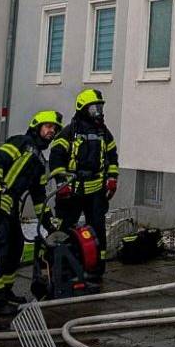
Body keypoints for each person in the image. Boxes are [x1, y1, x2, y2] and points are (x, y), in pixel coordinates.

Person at [0, 110, 61, 331]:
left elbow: (39, 197)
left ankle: (4, 294)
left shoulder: (39, 161)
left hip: (10, 207)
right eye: (47, 126)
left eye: (54, 129)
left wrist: (49, 222)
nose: (51, 131)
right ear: (36, 126)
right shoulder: (20, 142)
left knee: (15, 248)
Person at [47, 89, 119, 287]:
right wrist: (61, 183)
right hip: (71, 191)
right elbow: (56, 157)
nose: (98, 112)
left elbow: (113, 157)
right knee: (64, 229)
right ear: (83, 108)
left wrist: (112, 178)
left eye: (100, 107)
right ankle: (61, 268)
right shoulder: (69, 132)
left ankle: (96, 269)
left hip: (96, 192)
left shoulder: (103, 132)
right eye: (94, 108)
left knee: (97, 231)